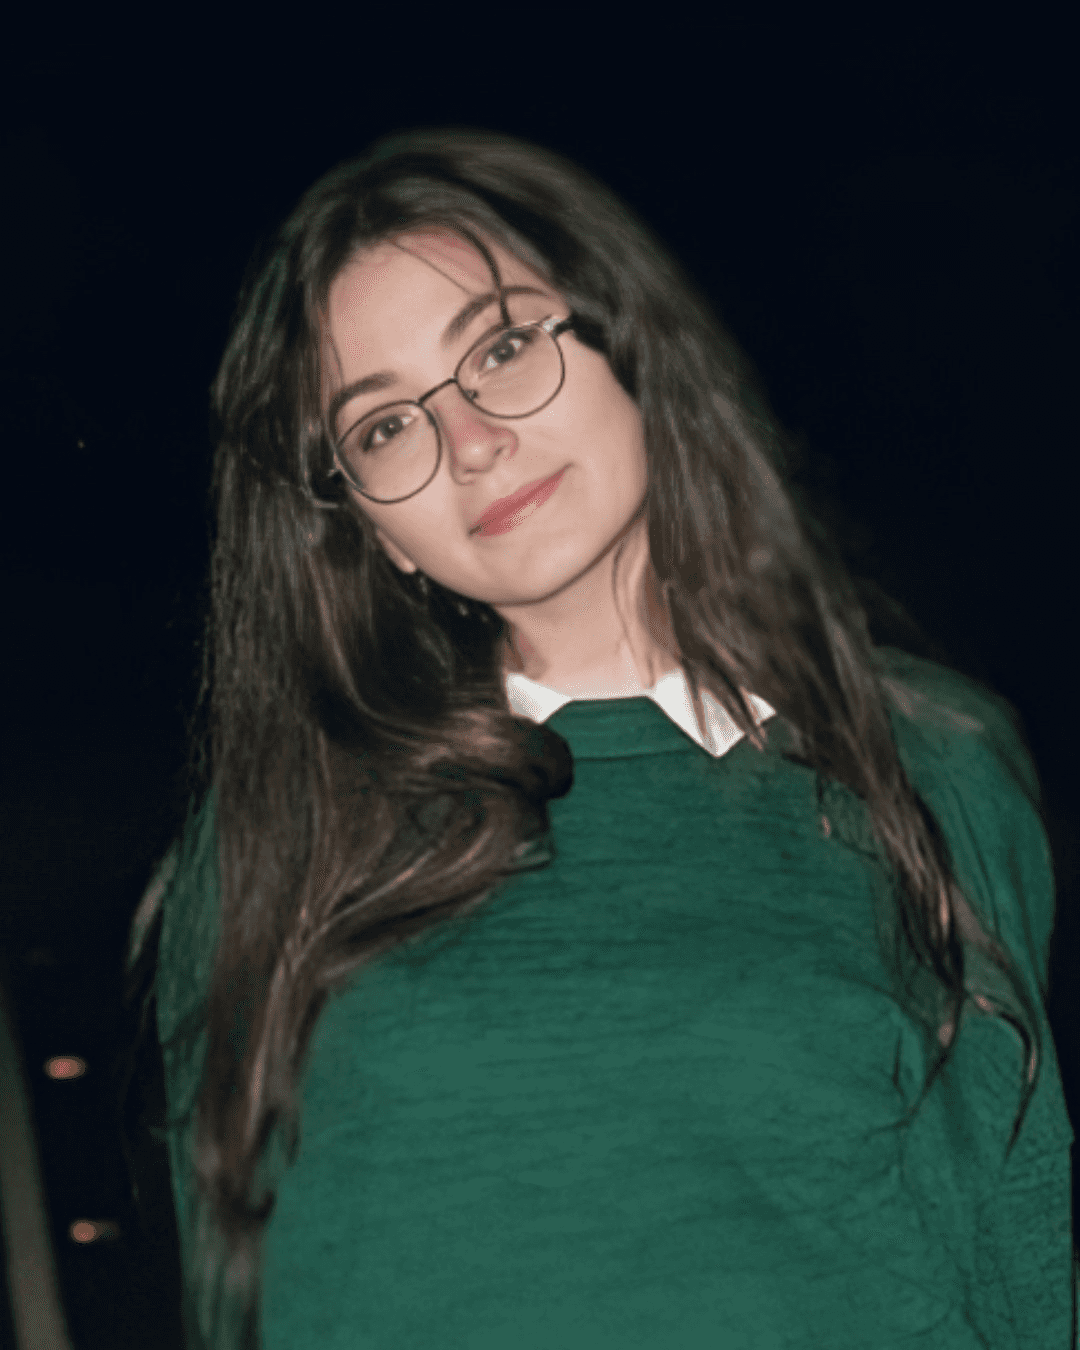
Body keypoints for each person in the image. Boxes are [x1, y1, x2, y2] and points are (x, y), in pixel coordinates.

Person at [119, 127, 1076, 1348]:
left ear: (627, 338)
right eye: (385, 428)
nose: (471, 441)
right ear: (370, 530)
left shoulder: (929, 759)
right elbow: (241, 1306)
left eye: (504, 349)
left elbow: (1017, 1258)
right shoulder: (279, 835)